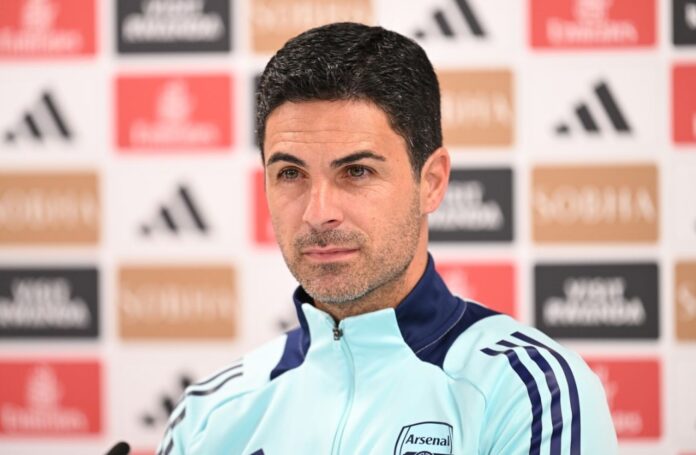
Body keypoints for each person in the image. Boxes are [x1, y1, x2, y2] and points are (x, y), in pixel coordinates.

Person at [157, 22, 617, 455]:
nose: (318, 213)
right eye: (291, 173)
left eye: (357, 171)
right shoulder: (207, 414)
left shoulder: (529, 392)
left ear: (431, 182)